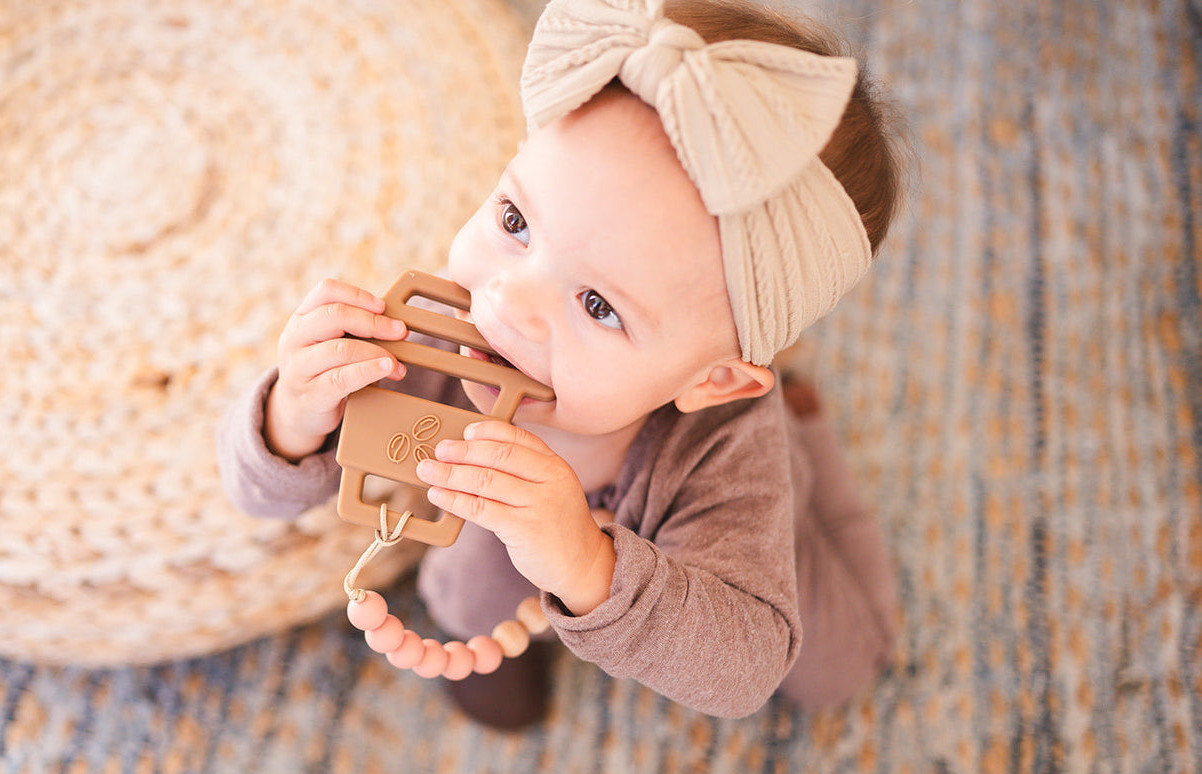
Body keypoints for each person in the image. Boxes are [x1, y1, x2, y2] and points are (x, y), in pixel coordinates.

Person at [219, 0, 905, 729]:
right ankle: (491, 650)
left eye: (598, 305)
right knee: (467, 591)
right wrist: (290, 417)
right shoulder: (446, 333)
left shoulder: (726, 451)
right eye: (515, 222)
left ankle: (809, 437)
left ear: (713, 382)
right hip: (484, 552)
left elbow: (743, 672)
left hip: (737, 539)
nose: (509, 301)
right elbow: (257, 499)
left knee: (838, 669)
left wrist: (584, 563)